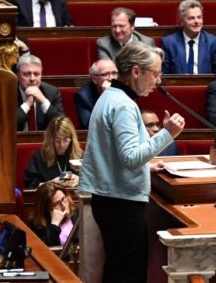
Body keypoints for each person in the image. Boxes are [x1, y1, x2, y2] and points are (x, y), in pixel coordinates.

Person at [78, 42, 185, 283]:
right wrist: (167, 134)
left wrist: (147, 166)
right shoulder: (124, 105)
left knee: (117, 270)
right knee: (129, 274)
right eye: (155, 74)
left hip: (110, 200)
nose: (157, 81)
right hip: (122, 204)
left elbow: (114, 154)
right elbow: (130, 158)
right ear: (136, 71)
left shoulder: (109, 96)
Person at [161, 0, 216, 74]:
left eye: (199, 17)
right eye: (191, 18)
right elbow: (163, 74)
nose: (196, 21)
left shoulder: (212, 42)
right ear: (182, 21)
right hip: (178, 85)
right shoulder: (169, 43)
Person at [24, 116, 83, 188]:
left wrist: (80, 180)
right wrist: (52, 184)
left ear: (71, 139)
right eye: (57, 140)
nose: (62, 145)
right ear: (50, 139)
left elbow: (93, 180)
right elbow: (30, 185)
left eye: (66, 140)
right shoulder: (39, 157)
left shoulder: (80, 156)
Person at [17, 54, 64, 131]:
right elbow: (5, 126)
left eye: (36, 74)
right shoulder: (7, 92)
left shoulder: (51, 92)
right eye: (26, 74)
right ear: (18, 75)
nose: (32, 79)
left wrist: (43, 101)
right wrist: (27, 104)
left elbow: (61, 127)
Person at [28, 182, 78, 248]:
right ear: (47, 209)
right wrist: (54, 225)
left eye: (63, 199)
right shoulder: (37, 225)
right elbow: (45, 250)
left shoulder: (78, 213)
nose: (63, 205)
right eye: (57, 203)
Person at [74, 59, 118, 129]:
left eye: (114, 73)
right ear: (94, 79)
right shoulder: (83, 96)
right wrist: (106, 96)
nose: (111, 78)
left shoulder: (124, 90)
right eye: (105, 74)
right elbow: (89, 125)